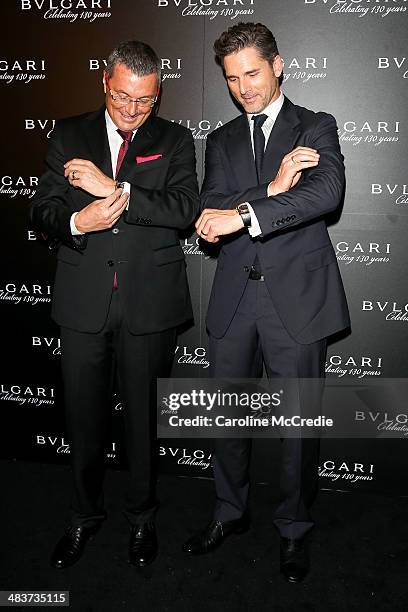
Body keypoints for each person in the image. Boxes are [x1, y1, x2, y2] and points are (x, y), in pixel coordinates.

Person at [182, 22, 350, 583]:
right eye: (232, 79)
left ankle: (294, 528)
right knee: (226, 419)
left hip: (296, 301)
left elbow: (325, 194)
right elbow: (209, 211)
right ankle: (229, 512)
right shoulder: (222, 139)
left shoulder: (316, 125)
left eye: (252, 73)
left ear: (278, 64)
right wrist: (273, 190)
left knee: (299, 425)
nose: (244, 88)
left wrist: (248, 210)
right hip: (233, 299)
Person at [30, 40, 199, 569]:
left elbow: (183, 208)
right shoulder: (68, 133)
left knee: (144, 423)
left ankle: (142, 518)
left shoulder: (175, 140)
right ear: (106, 82)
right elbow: (44, 210)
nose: (131, 110)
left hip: (151, 304)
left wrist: (114, 189)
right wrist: (81, 222)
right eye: (123, 96)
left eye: (144, 101)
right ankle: (83, 516)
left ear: (158, 94)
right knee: (83, 420)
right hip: (84, 303)